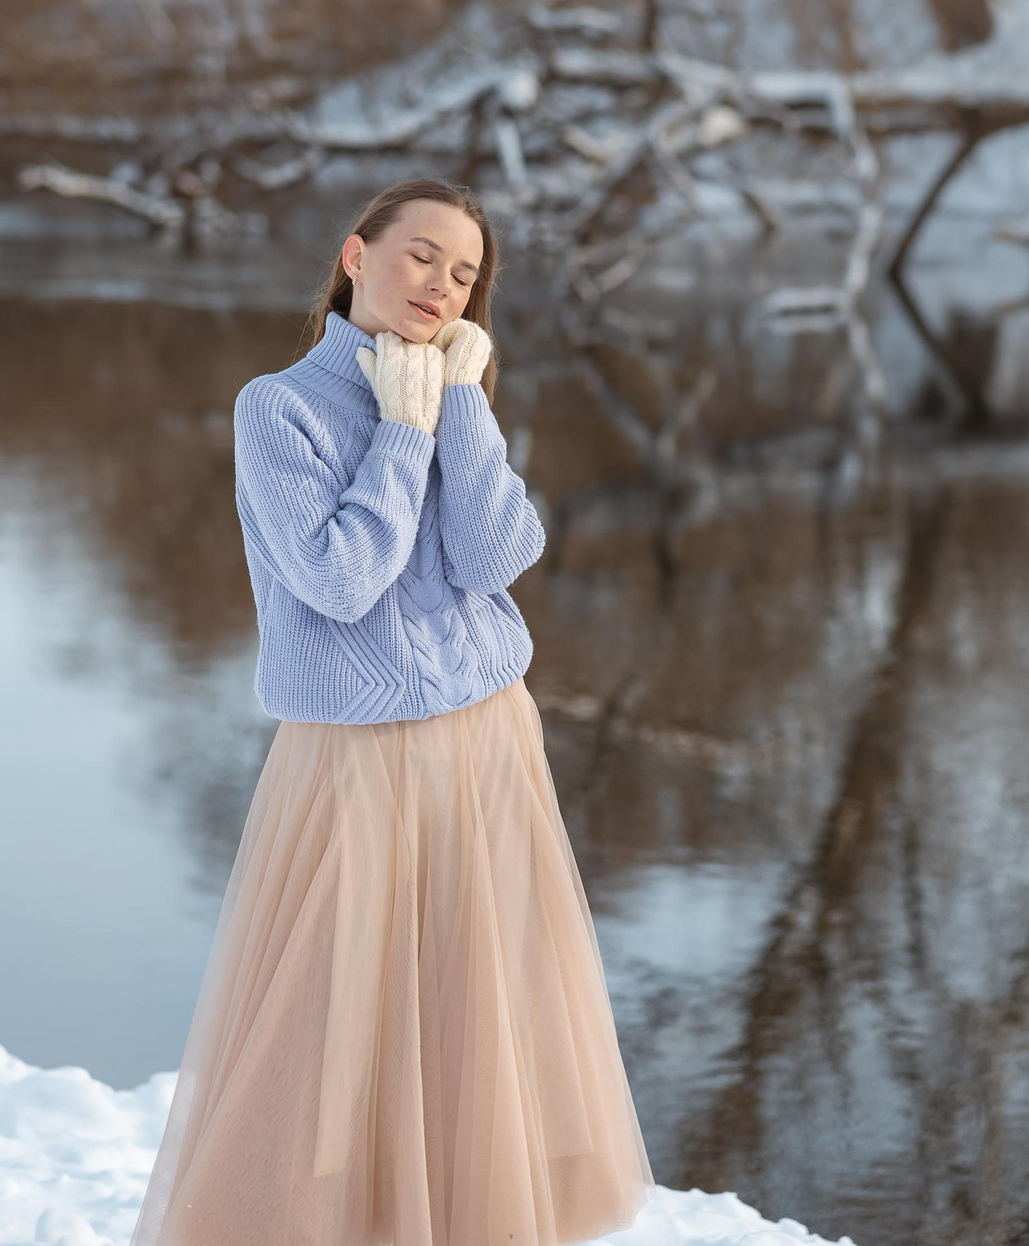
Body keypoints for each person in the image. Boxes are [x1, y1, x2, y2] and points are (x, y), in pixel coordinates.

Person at [128, 177, 655, 1246]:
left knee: (475, 1016)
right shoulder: (278, 408)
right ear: (355, 255)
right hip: (354, 757)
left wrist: (458, 409)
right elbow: (339, 580)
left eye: (464, 274)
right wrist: (403, 434)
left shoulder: (455, 390)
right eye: (422, 255)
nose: (441, 285)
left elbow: (501, 555)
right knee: (333, 1026)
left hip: (487, 738)